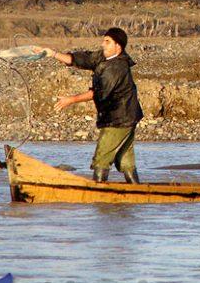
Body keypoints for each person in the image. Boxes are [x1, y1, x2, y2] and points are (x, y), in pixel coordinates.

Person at [33, 27, 144, 184]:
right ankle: (137, 192)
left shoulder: (117, 68)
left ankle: (97, 193)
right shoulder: (104, 57)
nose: (103, 44)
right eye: (103, 40)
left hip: (120, 118)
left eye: (107, 42)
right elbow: (83, 59)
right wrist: (53, 54)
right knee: (125, 158)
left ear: (118, 46)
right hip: (126, 117)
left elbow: (99, 92)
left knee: (102, 157)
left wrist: (70, 100)